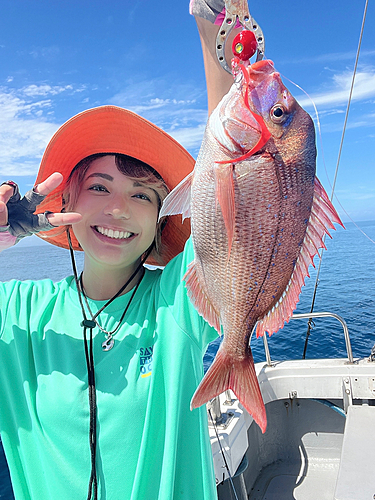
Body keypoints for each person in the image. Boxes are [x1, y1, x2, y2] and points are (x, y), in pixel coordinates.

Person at [0, 2, 242, 499]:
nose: (117, 210)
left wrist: (215, 30)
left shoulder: (177, 302)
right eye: (100, 188)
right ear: (66, 200)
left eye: (141, 195)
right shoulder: (18, 312)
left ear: (160, 220)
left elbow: (229, 198)